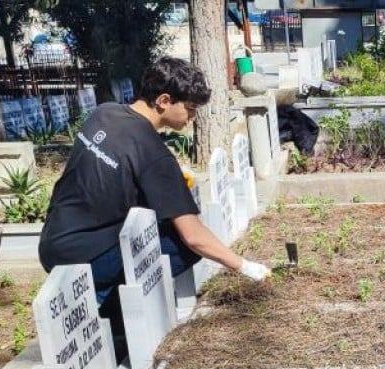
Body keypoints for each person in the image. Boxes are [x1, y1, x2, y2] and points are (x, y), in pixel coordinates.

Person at [39, 57, 269, 311]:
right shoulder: (155, 154)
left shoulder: (104, 113)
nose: (192, 118)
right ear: (164, 101)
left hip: (52, 242)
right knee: (183, 247)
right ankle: (110, 303)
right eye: (190, 108)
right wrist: (244, 266)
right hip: (85, 260)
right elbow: (193, 237)